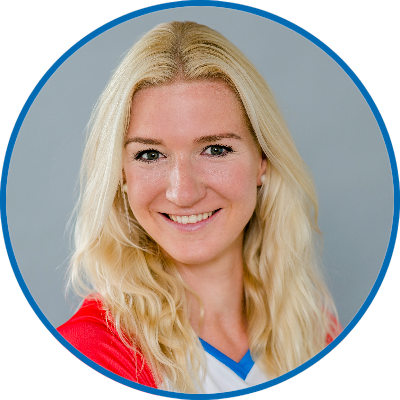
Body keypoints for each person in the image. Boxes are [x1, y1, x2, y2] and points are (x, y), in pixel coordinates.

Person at [57, 21, 341, 394]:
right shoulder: (94, 350)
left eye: (215, 149)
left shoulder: (316, 331)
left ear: (262, 161)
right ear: (120, 174)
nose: (183, 193)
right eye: (150, 154)